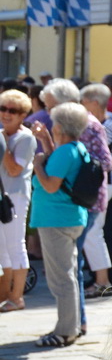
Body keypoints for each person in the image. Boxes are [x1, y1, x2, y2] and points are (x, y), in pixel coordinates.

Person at [28, 102, 94, 349]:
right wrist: (46, 141)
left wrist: (36, 165)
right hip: (69, 218)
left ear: (62, 126)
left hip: (56, 220)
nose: (51, 124)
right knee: (68, 275)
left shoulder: (67, 151)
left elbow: (51, 185)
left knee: (61, 279)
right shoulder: (74, 148)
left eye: (54, 121)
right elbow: (59, 165)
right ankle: (72, 327)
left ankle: (65, 331)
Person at [85, 83, 112, 279]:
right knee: (100, 230)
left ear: (94, 103)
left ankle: (108, 277)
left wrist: (110, 165)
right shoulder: (101, 123)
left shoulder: (108, 123)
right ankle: (101, 276)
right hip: (107, 178)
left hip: (110, 179)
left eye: (84, 101)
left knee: (103, 230)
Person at [0, 89, 35, 312]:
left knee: (16, 245)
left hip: (16, 195)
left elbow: (14, 169)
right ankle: (4, 295)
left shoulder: (26, 138)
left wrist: (2, 144)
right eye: (3, 108)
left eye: (12, 110)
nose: (6, 114)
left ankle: (17, 296)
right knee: (2, 247)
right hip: (3, 195)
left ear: (23, 115)